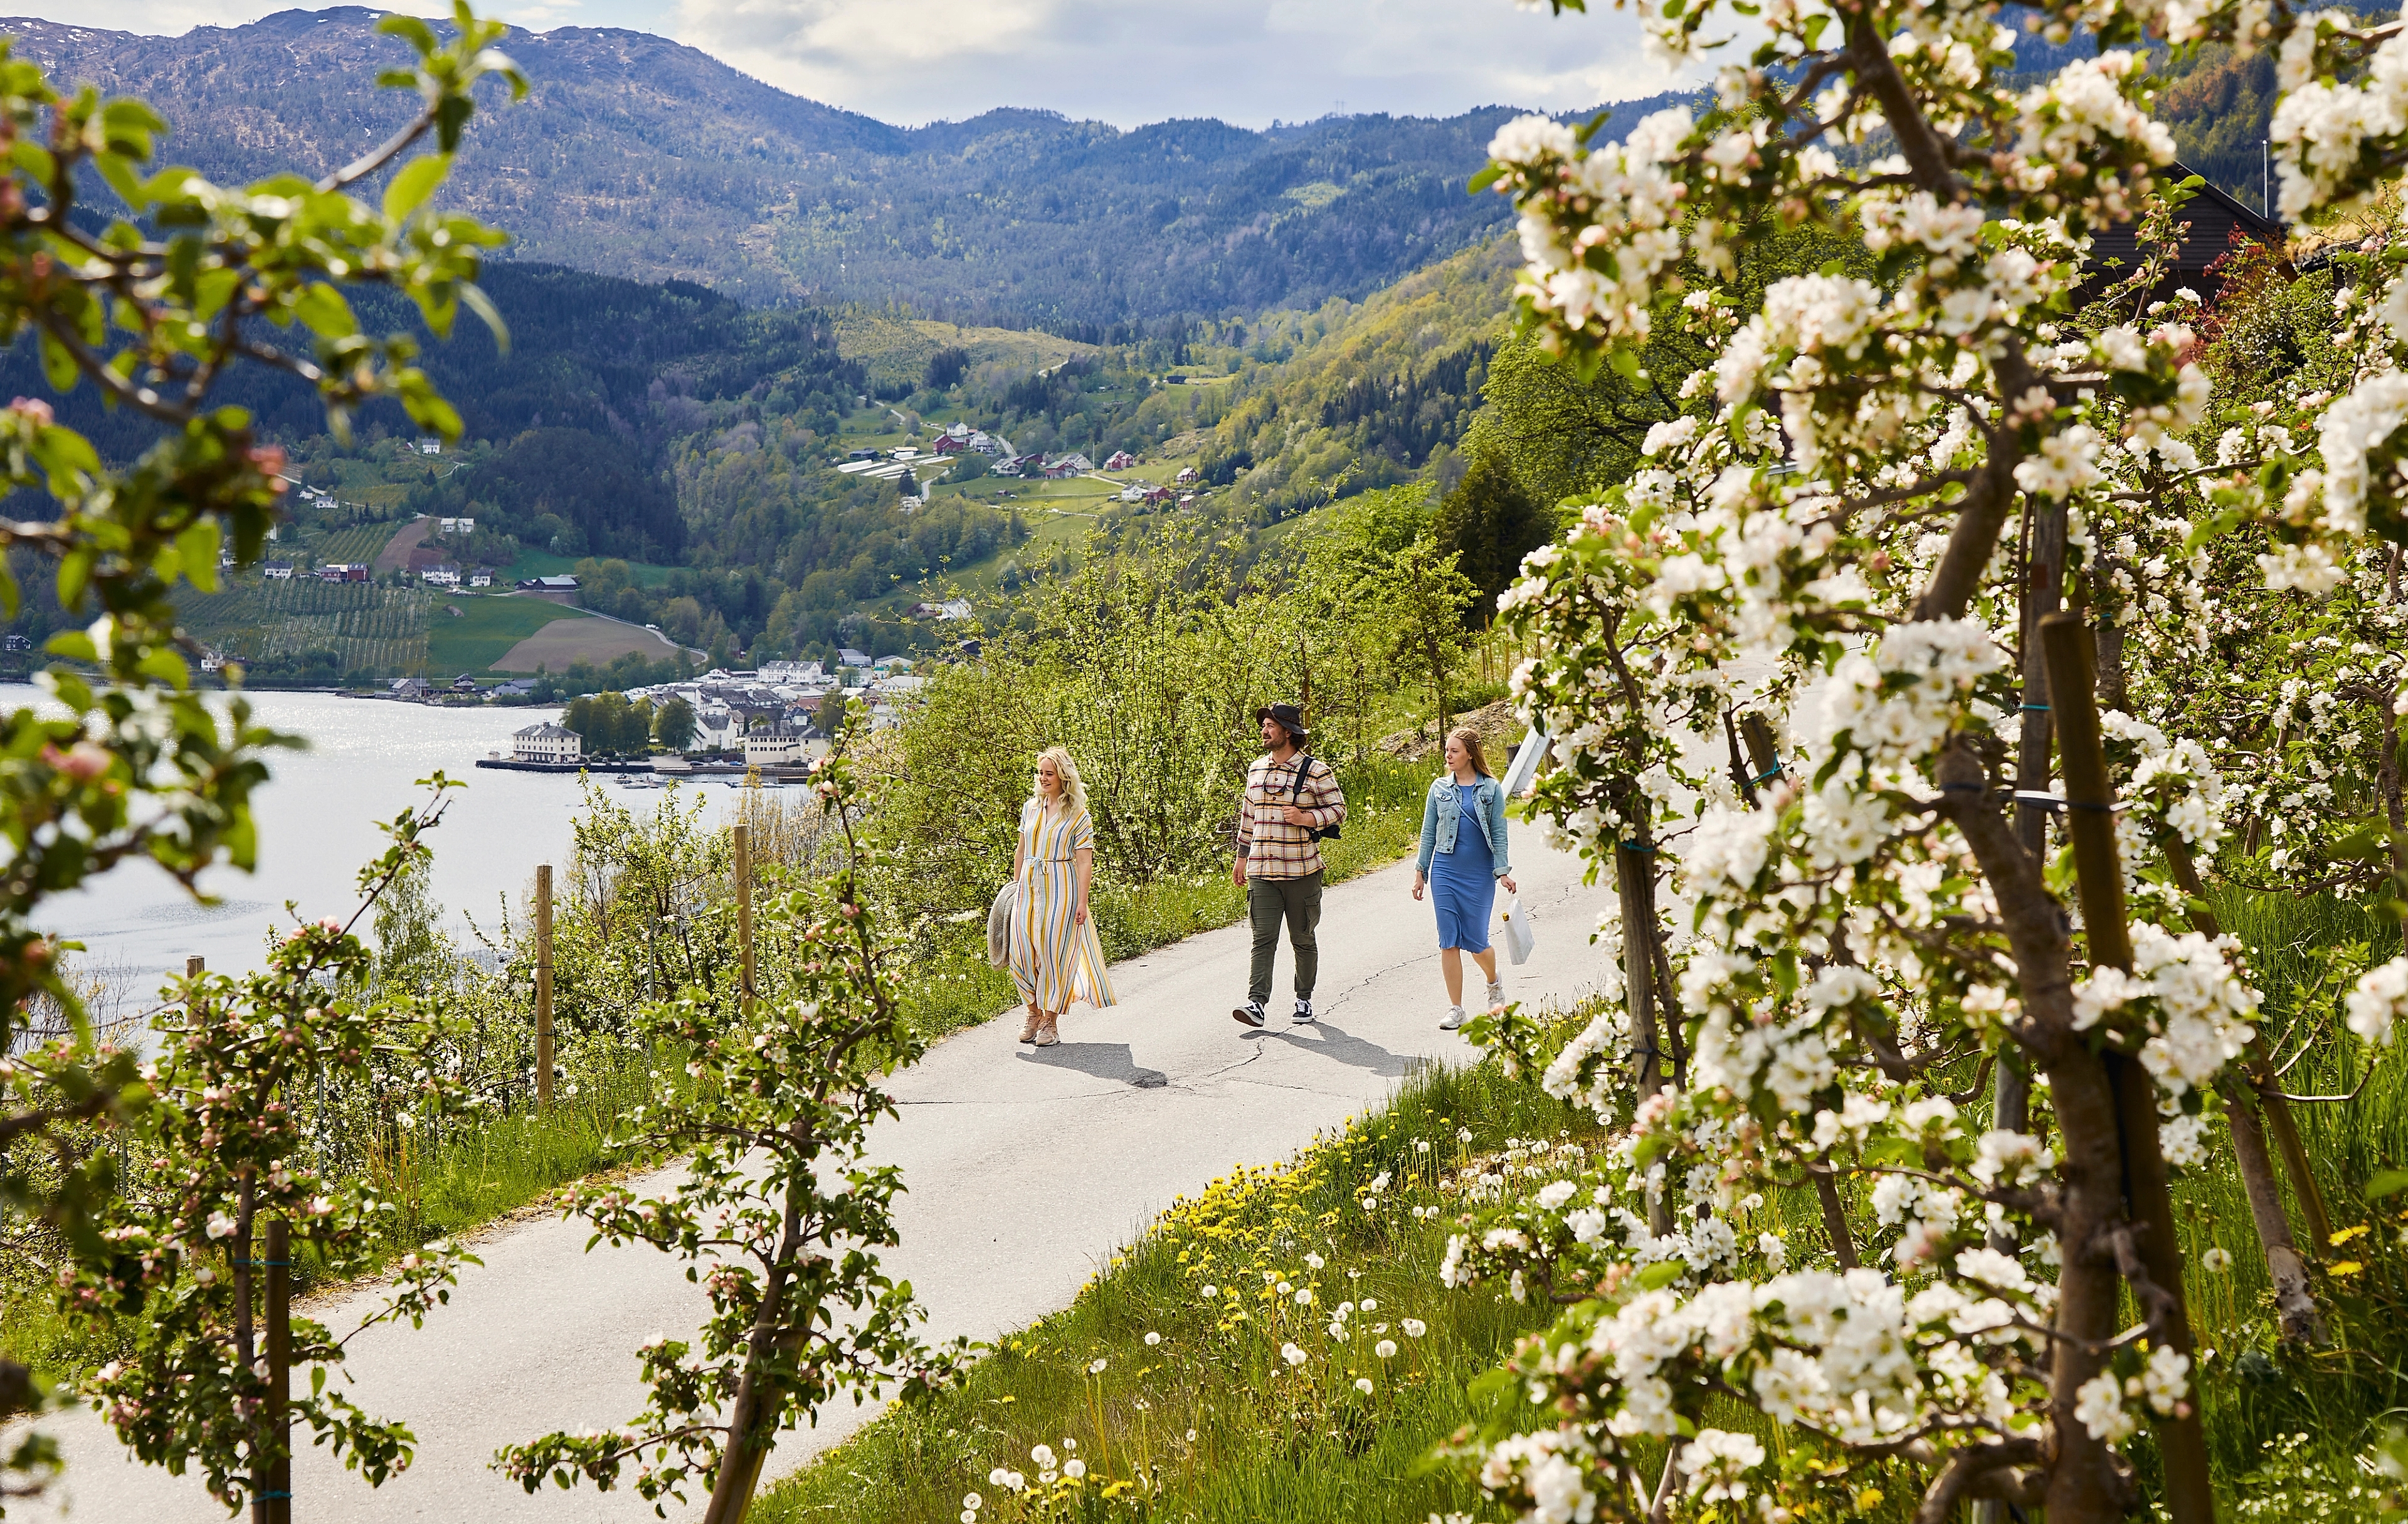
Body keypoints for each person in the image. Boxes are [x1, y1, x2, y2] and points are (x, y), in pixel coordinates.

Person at [1232, 702, 1346, 1028]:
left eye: (1270, 726)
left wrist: (1306, 818)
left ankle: (1304, 999)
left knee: (1303, 939)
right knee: (1263, 938)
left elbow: (1339, 809)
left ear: (1288, 732)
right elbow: (1248, 818)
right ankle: (1256, 1004)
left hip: (1302, 871)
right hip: (1261, 872)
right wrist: (1241, 859)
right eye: (1264, 725)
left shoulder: (1316, 771)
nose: (1264, 731)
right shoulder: (1256, 769)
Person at [1413, 726, 1518, 1031]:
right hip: (1445, 870)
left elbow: (1499, 833)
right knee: (1449, 940)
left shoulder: (1491, 789)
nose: (1448, 755)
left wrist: (1503, 871)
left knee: (1476, 942)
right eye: (1447, 750)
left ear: (1470, 754)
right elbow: (1428, 832)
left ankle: (1493, 983)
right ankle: (1456, 1008)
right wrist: (1421, 872)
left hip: (1478, 874)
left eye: (1454, 750)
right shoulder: (1439, 789)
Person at [1010, 746, 1114, 1047]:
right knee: (1021, 954)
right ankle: (1032, 1011)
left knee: (1055, 955)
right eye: (1040, 772)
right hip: (1028, 886)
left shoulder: (1079, 815)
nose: (1043, 778)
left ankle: (1050, 1023)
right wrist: (1016, 886)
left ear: (1063, 778)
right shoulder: (1031, 808)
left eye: (1049, 773)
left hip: (1061, 887)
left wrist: (1082, 902)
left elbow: (1084, 861)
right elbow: (1021, 849)